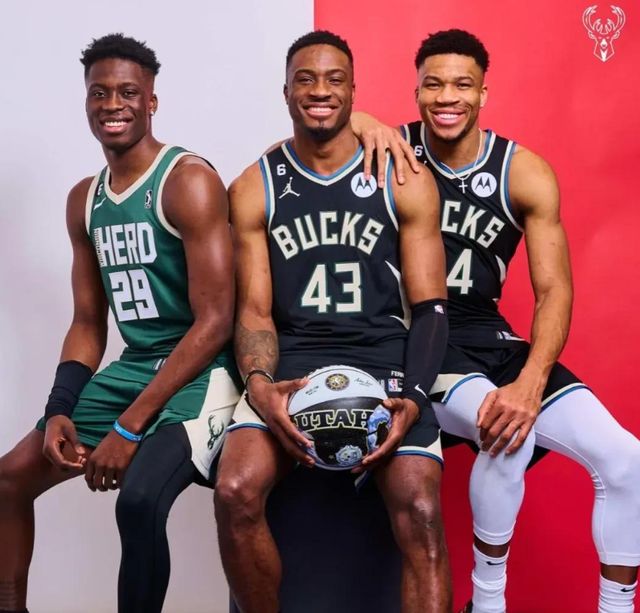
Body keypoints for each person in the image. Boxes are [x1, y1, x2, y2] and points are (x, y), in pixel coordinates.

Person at [397, 29, 640, 613]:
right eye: (433, 85)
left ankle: (616, 607)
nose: (447, 97)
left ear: (484, 93)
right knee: (507, 431)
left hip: (489, 335)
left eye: (462, 85)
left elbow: (554, 290)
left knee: (626, 459)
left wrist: (531, 382)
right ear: (416, 91)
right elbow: (315, 138)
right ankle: (489, 602)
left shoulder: (522, 172)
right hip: (421, 338)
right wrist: (366, 126)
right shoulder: (391, 152)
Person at [214, 30, 452, 613]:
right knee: (235, 489)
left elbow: (431, 308)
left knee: (421, 509)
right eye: (306, 79)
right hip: (292, 359)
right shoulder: (255, 186)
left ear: (353, 91)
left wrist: (415, 398)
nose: (320, 90)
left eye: (334, 79)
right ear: (286, 92)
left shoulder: (403, 177)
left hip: (383, 357)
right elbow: (255, 310)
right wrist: (260, 387)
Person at [0, 34, 239, 613]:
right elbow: (88, 322)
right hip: (135, 369)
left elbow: (215, 322)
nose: (113, 104)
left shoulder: (187, 180)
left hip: (202, 373)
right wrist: (60, 407)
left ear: (151, 101)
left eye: (128, 92)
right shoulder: (85, 200)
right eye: (99, 92)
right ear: (86, 101)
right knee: (9, 480)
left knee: (137, 502)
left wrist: (129, 429)